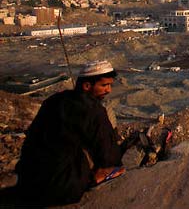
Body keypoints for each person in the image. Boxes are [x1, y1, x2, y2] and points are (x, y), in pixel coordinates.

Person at [15, 60, 126, 205]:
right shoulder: (94, 111)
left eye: (110, 85)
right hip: (60, 190)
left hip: (27, 183)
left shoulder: (53, 100)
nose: (109, 90)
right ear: (87, 86)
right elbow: (108, 155)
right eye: (104, 85)